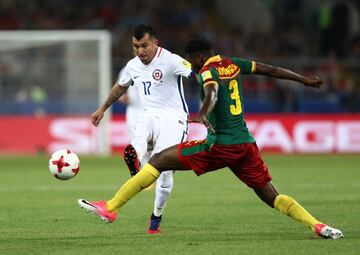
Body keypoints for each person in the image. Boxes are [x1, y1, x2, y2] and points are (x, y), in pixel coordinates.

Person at [79, 38, 344, 239]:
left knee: (159, 160)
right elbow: (270, 70)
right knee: (271, 196)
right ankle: (318, 225)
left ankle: (111, 207)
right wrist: (303, 80)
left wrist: (202, 113)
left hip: (220, 146)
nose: (192, 65)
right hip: (246, 146)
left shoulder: (207, 70)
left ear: (199, 56)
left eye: (192, 60)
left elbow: (212, 91)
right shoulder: (232, 63)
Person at [89, 24, 192, 234]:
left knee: (163, 170)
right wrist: (102, 109)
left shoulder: (171, 60)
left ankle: (156, 217)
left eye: (144, 45)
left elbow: (199, 75)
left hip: (175, 119)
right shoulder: (132, 65)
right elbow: (120, 87)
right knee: (141, 131)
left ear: (155, 42)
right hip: (150, 113)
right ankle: (134, 157)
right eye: (136, 46)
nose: (140, 51)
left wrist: (210, 105)